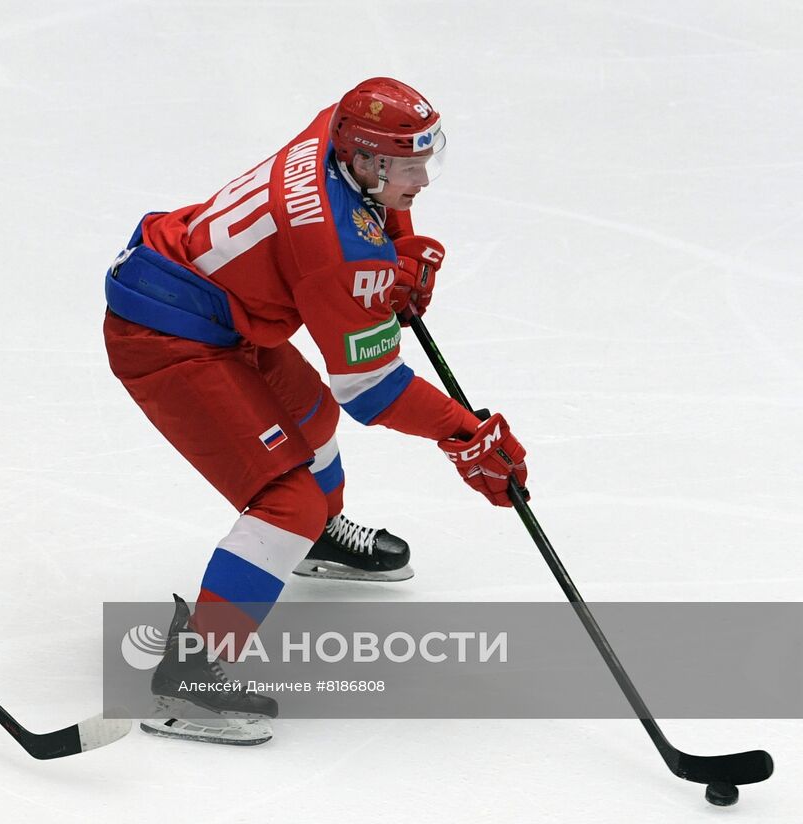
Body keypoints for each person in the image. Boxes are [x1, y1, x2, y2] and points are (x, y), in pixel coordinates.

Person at [102, 78, 529, 744]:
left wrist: (398, 247)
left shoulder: (338, 128)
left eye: (426, 157)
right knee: (287, 501)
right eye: (406, 166)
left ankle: (318, 538)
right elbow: (372, 390)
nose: (421, 178)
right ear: (364, 161)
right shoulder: (341, 252)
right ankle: (192, 676)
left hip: (213, 303)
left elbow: (372, 211)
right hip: (168, 337)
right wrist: (465, 434)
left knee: (312, 422)